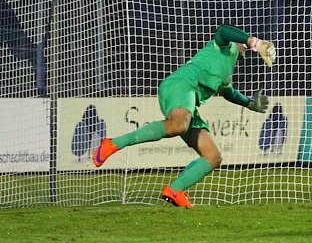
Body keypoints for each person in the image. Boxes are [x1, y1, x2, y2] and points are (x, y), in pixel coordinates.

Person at [92, 25, 277, 208]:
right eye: (243, 41)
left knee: (213, 156)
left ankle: (175, 190)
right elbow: (222, 31)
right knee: (178, 125)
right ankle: (114, 143)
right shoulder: (222, 46)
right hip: (181, 85)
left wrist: (249, 103)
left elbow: (228, 92)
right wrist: (255, 42)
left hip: (189, 100)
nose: (245, 46)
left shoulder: (228, 69)